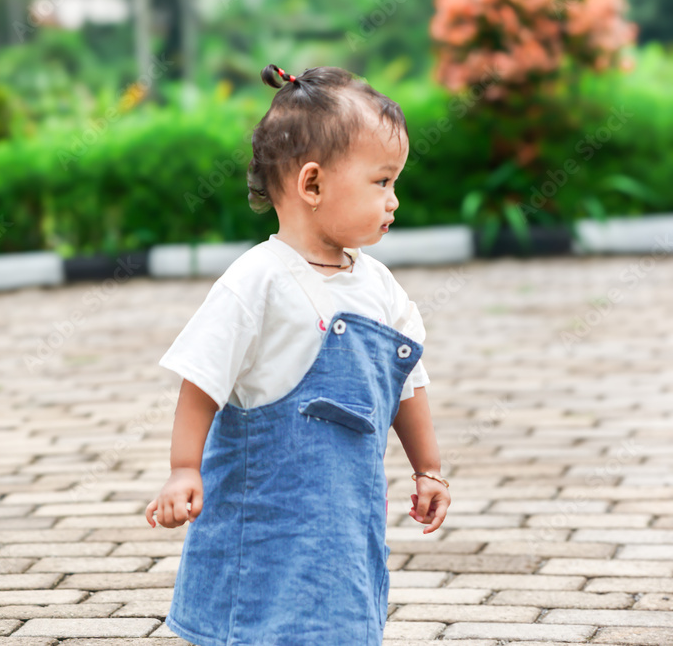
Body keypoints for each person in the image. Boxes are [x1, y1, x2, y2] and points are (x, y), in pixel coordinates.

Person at [144, 64, 451, 645]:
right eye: (381, 182)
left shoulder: (380, 287)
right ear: (312, 184)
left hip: (343, 521)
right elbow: (201, 380)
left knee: (338, 622)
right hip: (262, 520)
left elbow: (408, 385)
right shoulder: (256, 281)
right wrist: (184, 467)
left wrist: (427, 467)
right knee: (258, 622)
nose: (395, 200)